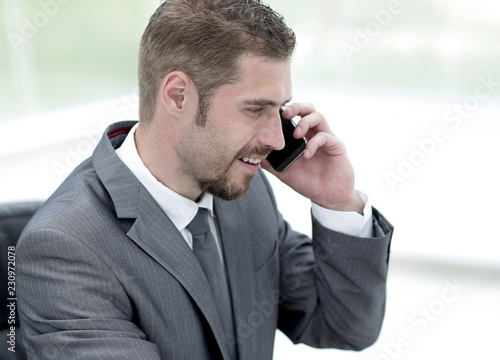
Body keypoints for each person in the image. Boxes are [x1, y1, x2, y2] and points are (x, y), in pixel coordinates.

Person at [17, 0, 393, 359]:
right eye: (255, 109)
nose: (278, 139)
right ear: (178, 96)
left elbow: (345, 327)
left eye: (278, 109)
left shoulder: (243, 190)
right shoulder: (63, 248)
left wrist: (338, 203)